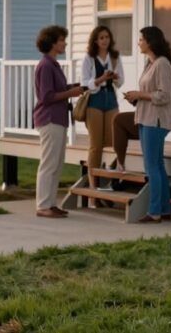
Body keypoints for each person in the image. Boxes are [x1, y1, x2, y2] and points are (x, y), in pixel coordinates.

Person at [123, 26, 171, 224]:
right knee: (158, 165)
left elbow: (164, 95)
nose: (139, 43)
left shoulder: (162, 64)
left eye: (141, 39)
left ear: (150, 42)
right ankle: (164, 209)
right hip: (146, 117)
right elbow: (150, 93)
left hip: (156, 120)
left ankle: (154, 212)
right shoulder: (150, 63)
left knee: (151, 166)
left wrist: (140, 95)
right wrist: (135, 98)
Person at [33, 25, 85, 219]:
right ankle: (43, 205)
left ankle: (51, 203)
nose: (65, 43)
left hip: (58, 118)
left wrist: (73, 87)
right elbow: (46, 96)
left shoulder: (53, 64)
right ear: (52, 43)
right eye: (62, 40)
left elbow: (56, 89)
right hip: (50, 119)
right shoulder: (45, 65)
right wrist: (70, 93)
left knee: (56, 163)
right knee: (49, 163)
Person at [80, 25, 124, 205]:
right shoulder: (89, 58)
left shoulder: (115, 57)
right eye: (101, 38)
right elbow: (85, 82)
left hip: (111, 99)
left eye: (107, 37)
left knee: (116, 141)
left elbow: (121, 80)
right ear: (95, 41)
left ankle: (108, 179)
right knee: (95, 145)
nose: (104, 40)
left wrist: (113, 77)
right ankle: (92, 189)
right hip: (95, 101)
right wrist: (100, 79)